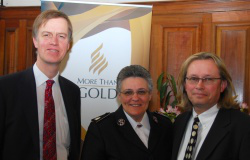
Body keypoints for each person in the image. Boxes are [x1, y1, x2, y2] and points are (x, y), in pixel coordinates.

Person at [0, 10, 81, 160]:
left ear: (68, 45)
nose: (54, 42)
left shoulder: (73, 92)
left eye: (61, 36)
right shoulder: (5, 89)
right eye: (47, 35)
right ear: (35, 41)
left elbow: (73, 149)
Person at [81, 65, 173, 160]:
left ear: (150, 95)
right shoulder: (101, 129)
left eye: (141, 92)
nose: (135, 98)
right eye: (128, 92)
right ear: (119, 96)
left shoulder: (165, 125)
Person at [171, 52, 250, 160]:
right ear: (185, 85)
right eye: (193, 79)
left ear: (222, 85)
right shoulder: (179, 123)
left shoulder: (244, 126)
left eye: (208, 79)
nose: (199, 86)